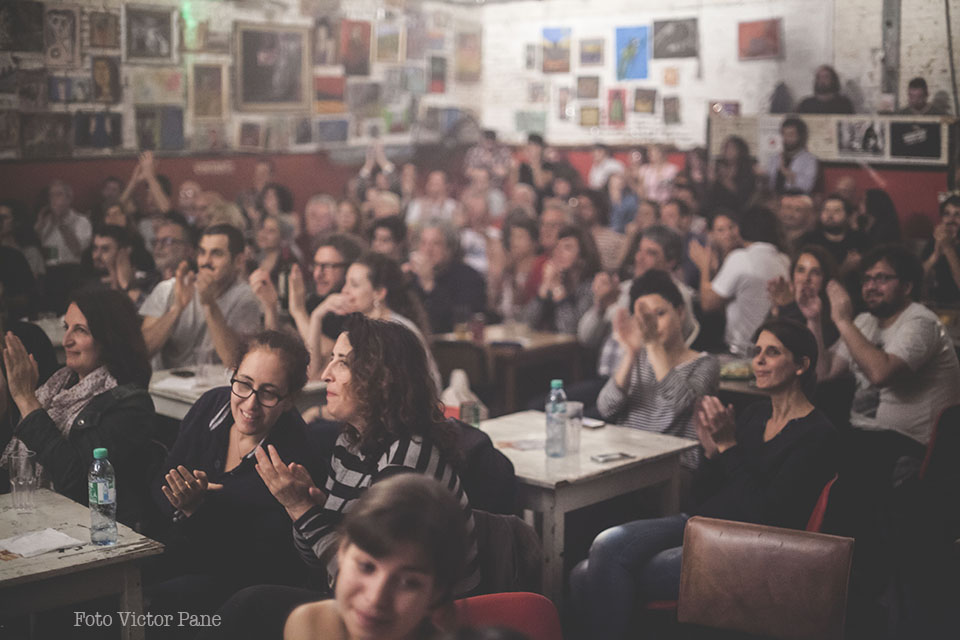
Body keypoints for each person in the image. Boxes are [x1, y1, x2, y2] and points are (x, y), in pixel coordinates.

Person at [571, 318, 837, 640]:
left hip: (749, 547)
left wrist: (727, 447)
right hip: (704, 524)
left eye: (773, 352)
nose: (759, 361)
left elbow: (768, 516)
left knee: (590, 574)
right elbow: (707, 494)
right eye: (757, 352)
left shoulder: (817, 435)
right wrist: (711, 453)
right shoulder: (754, 414)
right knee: (602, 547)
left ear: (802, 365)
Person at [257, 314, 481, 596]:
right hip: (365, 606)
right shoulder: (351, 441)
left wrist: (301, 509)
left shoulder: (409, 455)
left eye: (342, 363)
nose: (326, 374)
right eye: (331, 359)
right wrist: (307, 508)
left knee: (252, 603)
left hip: (420, 620)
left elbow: (365, 583)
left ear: (381, 378)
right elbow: (319, 561)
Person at [149, 331, 322, 623]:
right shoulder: (210, 406)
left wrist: (196, 509)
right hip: (185, 551)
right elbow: (160, 484)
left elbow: (259, 561)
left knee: (170, 596)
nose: (250, 404)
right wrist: (180, 501)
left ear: (290, 400)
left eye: (268, 393)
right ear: (233, 375)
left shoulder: (293, 457)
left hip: (247, 585)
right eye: (243, 384)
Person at [1, 288, 155, 527]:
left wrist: (26, 400)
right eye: (66, 328)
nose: (66, 341)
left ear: (109, 337)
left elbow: (77, 480)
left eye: (80, 330)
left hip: (93, 531)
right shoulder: (58, 385)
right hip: (38, 516)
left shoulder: (132, 405)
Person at [283, 473, 468, 640]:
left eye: (409, 582)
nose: (376, 598)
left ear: (436, 594)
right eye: (366, 567)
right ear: (341, 551)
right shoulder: (309, 625)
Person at [596, 270, 719, 470]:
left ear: (679, 312)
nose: (653, 325)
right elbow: (606, 408)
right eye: (645, 319)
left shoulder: (705, 363)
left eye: (660, 314)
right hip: (624, 459)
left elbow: (680, 402)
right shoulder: (638, 357)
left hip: (672, 467)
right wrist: (630, 353)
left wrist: (652, 344)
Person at [305, 252, 439, 386]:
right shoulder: (358, 329)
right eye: (346, 282)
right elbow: (315, 375)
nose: (345, 290)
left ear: (379, 293)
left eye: (354, 285)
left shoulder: (396, 330)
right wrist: (317, 316)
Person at [140, 224, 261, 369]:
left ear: (239, 261)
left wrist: (210, 305)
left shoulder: (245, 298)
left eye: (216, 254)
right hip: (162, 387)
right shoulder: (168, 289)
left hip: (214, 388)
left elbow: (235, 362)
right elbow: (142, 353)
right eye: (202, 253)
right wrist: (176, 309)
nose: (205, 262)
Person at [689, 207, 790, 355]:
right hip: (774, 348)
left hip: (742, 352)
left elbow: (708, 303)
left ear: (741, 231)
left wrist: (704, 266)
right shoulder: (784, 260)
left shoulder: (741, 258)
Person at [408, 220, 486, 334]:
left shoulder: (469, 277)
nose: (428, 250)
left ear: (449, 249)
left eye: (436, 244)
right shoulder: (410, 277)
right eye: (423, 243)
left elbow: (457, 322)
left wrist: (429, 284)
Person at [522, 225, 599, 334]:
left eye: (567, 248)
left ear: (582, 257)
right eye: (557, 247)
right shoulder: (555, 281)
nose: (558, 252)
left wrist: (558, 291)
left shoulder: (591, 288)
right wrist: (544, 288)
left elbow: (570, 330)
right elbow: (527, 323)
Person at [487, 213, 544, 321]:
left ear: (534, 242)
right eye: (512, 237)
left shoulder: (541, 270)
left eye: (520, 237)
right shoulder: (508, 271)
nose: (514, 242)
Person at [797, 194, 868, 278]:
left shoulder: (860, 239)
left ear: (848, 216)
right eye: (826, 210)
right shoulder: (809, 240)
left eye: (836, 211)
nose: (830, 215)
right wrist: (843, 269)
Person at [34, 179, 91, 267]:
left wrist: (61, 221)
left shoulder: (82, 221)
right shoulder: (45, 221)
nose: (54, 199)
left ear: (69, 199)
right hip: (49, 268)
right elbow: (39, 249)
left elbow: (77, 250)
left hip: (71, 269)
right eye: (51, 195)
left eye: (58, 194)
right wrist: (41, 225)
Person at [921, 193, 960, 305]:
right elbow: (916, 280)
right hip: (937, 304)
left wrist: (948, 249)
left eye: (957, 215)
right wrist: (935, 256)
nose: (950, 220)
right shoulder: (935, 241)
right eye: (946, 214)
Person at [766, 117, 819, 195]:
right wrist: (762, 177)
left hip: (796, 201)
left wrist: (786, 173)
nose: (787, 138)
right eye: (784, 134)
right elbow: (769, 184)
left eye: (791, 134)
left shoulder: (810, 160)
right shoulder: (775, 158)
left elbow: (807, 186)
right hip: (774, 199)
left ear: (800, 136)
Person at [706, 135, 756, 215]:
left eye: (731, 148)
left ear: (740, 150)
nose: (726, 151)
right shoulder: (718, 167)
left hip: (737, 212)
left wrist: (725, 178)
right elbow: (710, 193)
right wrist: (711, 179)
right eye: (724, 147)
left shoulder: (747, 171)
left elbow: (742, 195)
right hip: (717, 210)